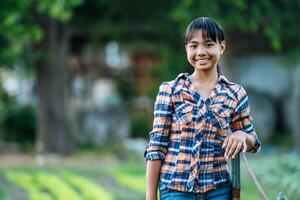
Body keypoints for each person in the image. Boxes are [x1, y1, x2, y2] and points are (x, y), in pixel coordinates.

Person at [144, 17, 261, 200]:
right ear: (186, 49)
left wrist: (242, 135)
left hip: (219, 191)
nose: (201, 52)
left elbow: (254, 142)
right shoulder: (171, 90)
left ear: (221, 47)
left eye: (208, 44)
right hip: (175, 190)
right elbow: (156, 148)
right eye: (194, 45)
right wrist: (150, 197)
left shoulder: (235, 93)